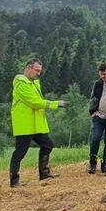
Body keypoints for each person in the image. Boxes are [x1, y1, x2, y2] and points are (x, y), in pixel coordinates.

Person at [9, 58, 67, 187]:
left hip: (35, 125)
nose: (39, 73)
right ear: (28, 68)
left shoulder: (34, 83)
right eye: (37, 70)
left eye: (40, 71)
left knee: (47, 145)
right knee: (20, 152)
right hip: (25, 125)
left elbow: (37, 102)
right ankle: (14, 181)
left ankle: (44, 174)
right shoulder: (21, 84)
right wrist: (56, 104)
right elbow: (35, 102)